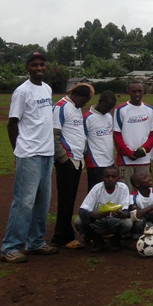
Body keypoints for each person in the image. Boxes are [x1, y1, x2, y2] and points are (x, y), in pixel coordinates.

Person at [1, 52, 58, 263]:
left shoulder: (47, 88)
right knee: (24, 202)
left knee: (42, 201)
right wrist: (18, 151)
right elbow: (12, 124)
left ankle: (36, 242)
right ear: (27, 67)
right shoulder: (22, 91)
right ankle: (10, 247)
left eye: (42, 64)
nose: (39, 68)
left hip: (47, 152)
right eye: (34, 65)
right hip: (29, 153)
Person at [50, 83, 94, 249]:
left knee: (70, 199)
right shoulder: (61, 107)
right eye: (84, 100)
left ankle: (63, 234)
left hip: (76, 160)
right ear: (76, 95)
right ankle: (62, 237)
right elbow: (54, 136)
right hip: (67, 161)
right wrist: (64, 159)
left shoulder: (76, 108)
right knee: (65, 200)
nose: (85, 103)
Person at [74, 166, 132, 252]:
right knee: (78, 221)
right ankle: (96, 239)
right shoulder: (97, 188)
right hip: (98, 222)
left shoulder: (123, 188)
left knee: (128, 223)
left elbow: (126, 210)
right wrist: (91, 214)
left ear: (118, 178)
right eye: (107, 176)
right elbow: (82, 210)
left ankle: (116, 239)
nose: (110, 179)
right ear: (102, 178)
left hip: (114, 221)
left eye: (113, 176)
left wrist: (122, 214)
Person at [113, 81, 153, 189]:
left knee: (143, 190)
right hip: (125, 160)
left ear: (143, 92)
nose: (137, 94)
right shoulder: (120, 109)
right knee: (125, 190)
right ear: (128, 92)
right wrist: (128, 153)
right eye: (134, 91)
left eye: (139, 91)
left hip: (144, 159)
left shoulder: (150, 109)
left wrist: (144, 149)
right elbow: (117, 135)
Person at [83, 90, 116, 192]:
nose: (108, 110)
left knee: (109, 190)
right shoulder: (87, 118)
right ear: (100, 102)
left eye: (110, 108)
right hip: (95, 162)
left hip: (109, 160)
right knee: (95, 190)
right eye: (106, 107)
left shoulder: (109, 116)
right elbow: (82, 140)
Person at [128, 171, 153, 241]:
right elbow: (134, 216)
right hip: (142, 220)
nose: (149, 178)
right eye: (145, 178)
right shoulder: (132, 196)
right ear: (137, 184)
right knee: (138, 222)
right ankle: (136, 239)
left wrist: (141, 211)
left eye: (149, 176)